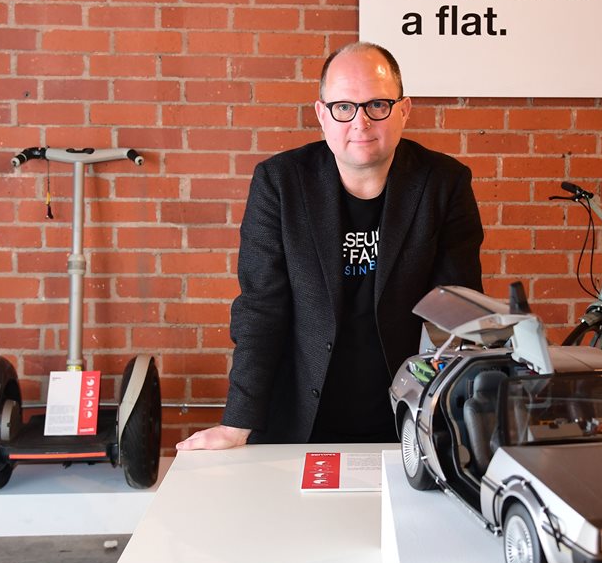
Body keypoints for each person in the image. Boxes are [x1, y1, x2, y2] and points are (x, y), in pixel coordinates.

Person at [176, 42, 484, 449]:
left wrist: (456, 418)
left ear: (404, 110)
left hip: (407, 416)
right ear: (322, 114)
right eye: (343, 107)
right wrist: (237, 423)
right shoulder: (280, 184)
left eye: (377, 104)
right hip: (299, 416)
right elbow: (260, 308)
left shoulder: (443, 184)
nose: (360, 122)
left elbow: (456, 315)